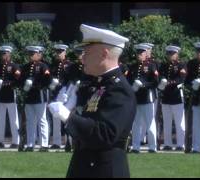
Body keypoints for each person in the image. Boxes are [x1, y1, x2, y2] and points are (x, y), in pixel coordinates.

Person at [48, 24, 136, 178]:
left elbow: (106, 134)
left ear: (104, 53)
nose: (82, 58)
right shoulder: (100, 84)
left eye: (87, 52)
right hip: (89, 165)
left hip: (105, 170)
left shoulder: (119, 90)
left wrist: (69, 117)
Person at [128, 43, 159, 153]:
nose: (139, 55)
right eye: (138, 53)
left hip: (147, 98)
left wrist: (143, 85)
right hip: (136, 98)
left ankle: (152, 146)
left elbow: (155, 82)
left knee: (150, 123)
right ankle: (136, 147)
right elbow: (128, 80)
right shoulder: (133, 67)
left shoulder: (151, 66)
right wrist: (132, 87)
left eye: (141, 53)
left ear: (146, 54)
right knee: (136, 124)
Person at [22, 45, 51, 152]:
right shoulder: (25, 67)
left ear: (38, 54)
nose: (30, 56)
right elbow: (21, 79)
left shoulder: (43, 66)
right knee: (30, 121)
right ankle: (30, 144)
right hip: (29, 97)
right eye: (29, 54)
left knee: (42, 120)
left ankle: (44, 144)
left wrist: (37, 85)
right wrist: (24, 85)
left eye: (32, 54)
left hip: (39, 96)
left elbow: (47, 80)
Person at [158, 45, 186, 151]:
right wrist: (162, 81)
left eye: (172, 54)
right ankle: (167, 144)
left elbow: (181, 79)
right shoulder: (164, 65)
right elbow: (160, 76)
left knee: (179, 122)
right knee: (167, 121)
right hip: (166, 96)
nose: (170, 56)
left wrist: (168, 82)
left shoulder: (181, 65)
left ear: (177, 54)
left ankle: (180, 144)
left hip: (177, 96)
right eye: (169, 54)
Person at [0, 45, 21, 148]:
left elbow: (17, 79)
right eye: (2, 53)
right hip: (1, 95)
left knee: (13, 119)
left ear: (9, 54)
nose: (3, 55)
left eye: (5, 53)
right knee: (0, 119)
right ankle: (0, 141)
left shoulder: (14, 66)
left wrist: (7, 83)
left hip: (10, 94)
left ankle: (15, 141)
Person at [49, 44, 73, 150]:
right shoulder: (54, 64)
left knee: (66, 117)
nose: (58, 54)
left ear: (65, 53)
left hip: (64, 92)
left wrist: (67, 91)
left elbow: (71, 80)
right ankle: (56, 142)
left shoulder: (69, 64)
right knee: (56, 117)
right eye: (57, 52)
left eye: (60, 52)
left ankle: (69, 141)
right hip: (55, 92)